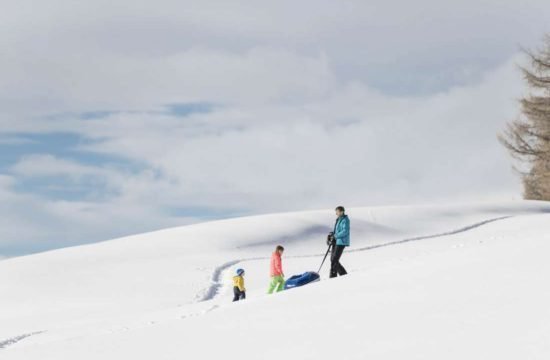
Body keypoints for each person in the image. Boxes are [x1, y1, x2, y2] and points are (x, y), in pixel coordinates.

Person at [329, 206, 350, 278]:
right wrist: (332, 235)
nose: (336, 213)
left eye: (337, 212)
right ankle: (333, 275)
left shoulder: (345, 220)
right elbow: (337, 231)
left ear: (342, 211)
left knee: (334, 259)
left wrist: (336, 236)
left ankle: (343, 275)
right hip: (336, 241)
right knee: (332, 259)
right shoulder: (338, 219)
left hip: (341, 242)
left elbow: (345, 231)